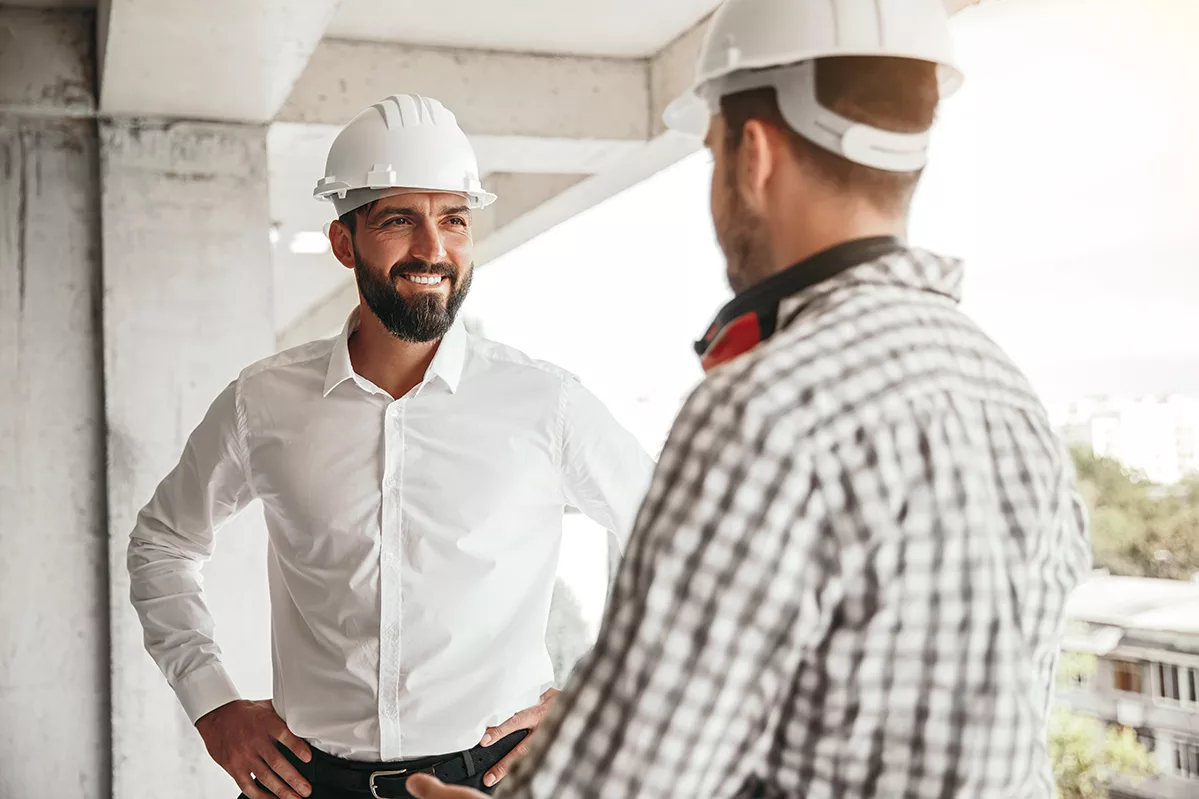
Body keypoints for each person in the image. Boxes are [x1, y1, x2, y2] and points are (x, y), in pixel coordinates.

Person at [405, 1, 1093, 798]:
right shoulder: (1004, 394)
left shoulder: (769, 406)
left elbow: (624, 782)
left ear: (754, 155)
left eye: (712, 152)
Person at [127, 93, 655, 799]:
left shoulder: (545, 404)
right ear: (344, 241)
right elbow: (162, 543)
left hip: (495, 781)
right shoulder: (264, 403)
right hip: (306, 785)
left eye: (454, 220)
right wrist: (213, 704)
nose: (433, 250)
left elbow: (687, 548)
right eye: (399, 220)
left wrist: (600, 700)